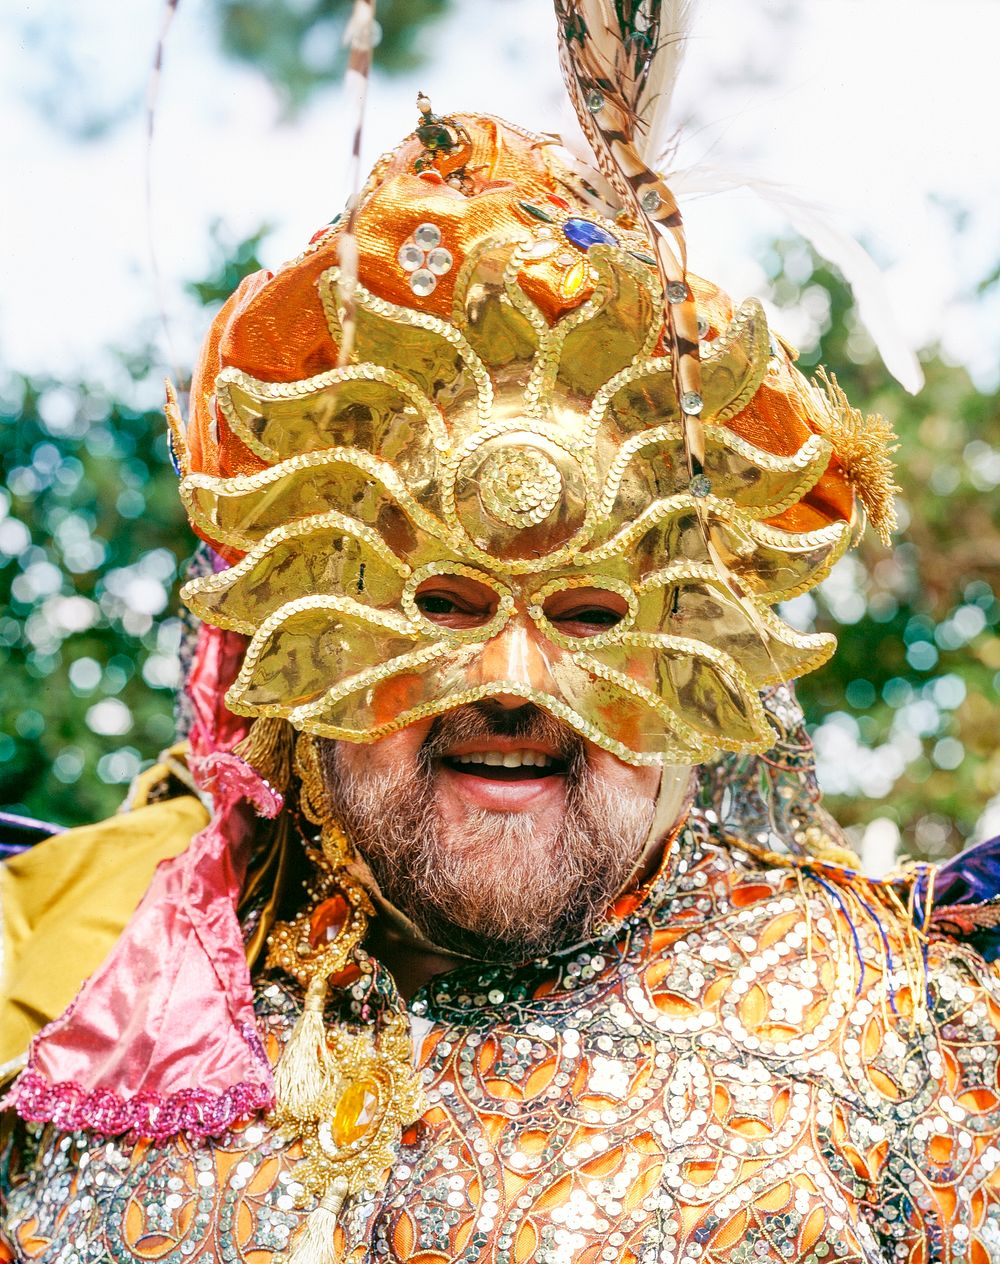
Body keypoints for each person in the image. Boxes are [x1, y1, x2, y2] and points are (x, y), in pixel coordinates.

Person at [4, 5, 1000, 1262]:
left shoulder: (910, 1036)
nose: (515, 683)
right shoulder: (86, 1003)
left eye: (590, 614)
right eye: (442, 604)